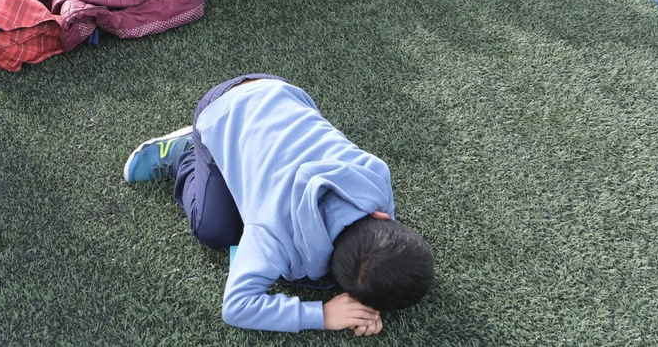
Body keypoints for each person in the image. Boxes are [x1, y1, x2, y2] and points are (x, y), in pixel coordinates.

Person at [122, 74, 435, 334]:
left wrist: (371, 282)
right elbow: (236, 307)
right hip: (222, 108)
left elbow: (382, 240)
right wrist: (322, 315)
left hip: (279, 92)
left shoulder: (376, 177)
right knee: (214, 230)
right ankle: (186, 154)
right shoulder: (272, 235)